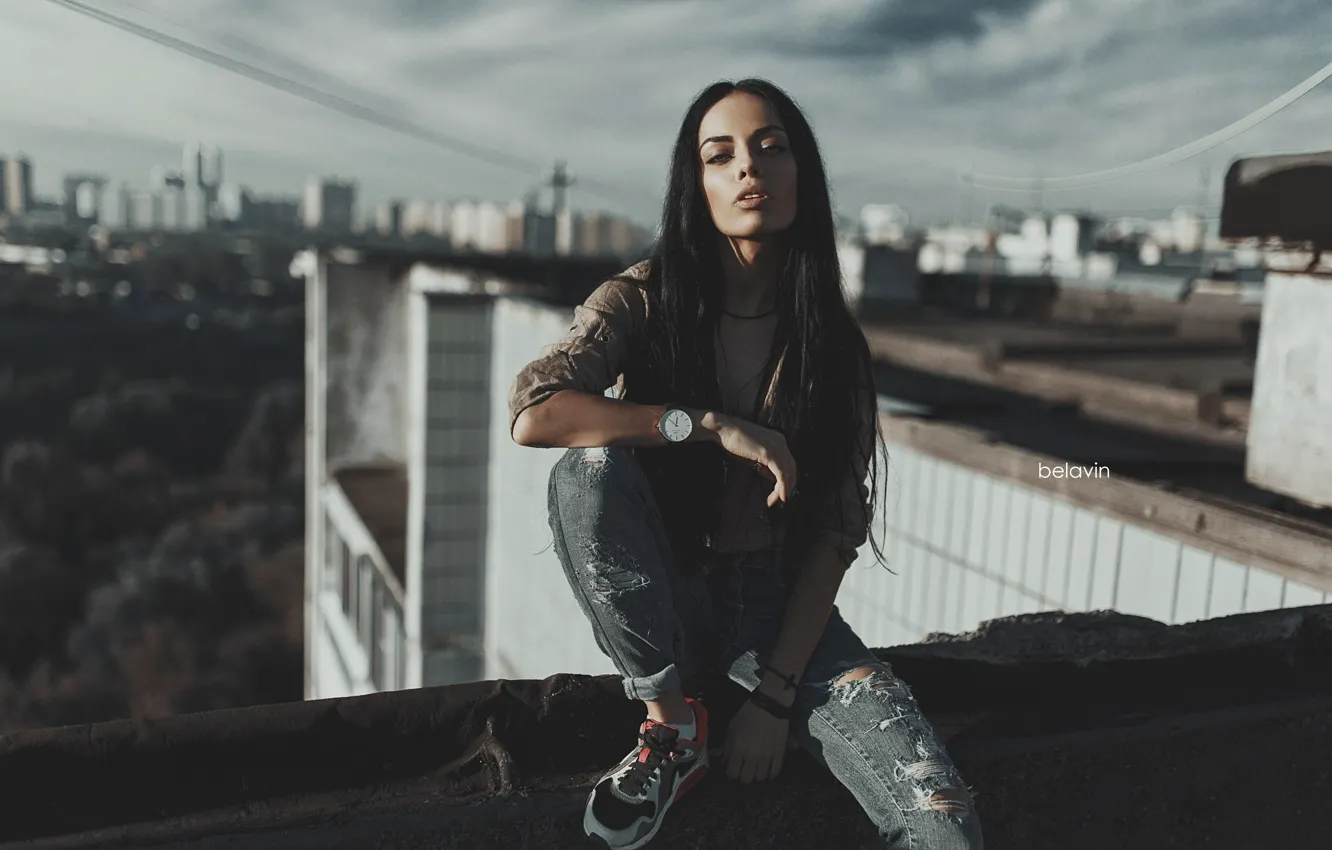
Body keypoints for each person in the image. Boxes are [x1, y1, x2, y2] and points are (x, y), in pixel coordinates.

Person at [508, 78, 982, 850]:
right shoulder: (642, 299)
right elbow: (537, 413)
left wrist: (773, 699)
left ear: (802, 173)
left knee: (942, 816)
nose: (748, 168)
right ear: (696, 186)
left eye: (770, 148)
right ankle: (671, 728)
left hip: (779, 616)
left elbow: (836, 531)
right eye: (719, 155)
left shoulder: (831, 343)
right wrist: (707, 425)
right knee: (588, 469)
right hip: (672, 592)